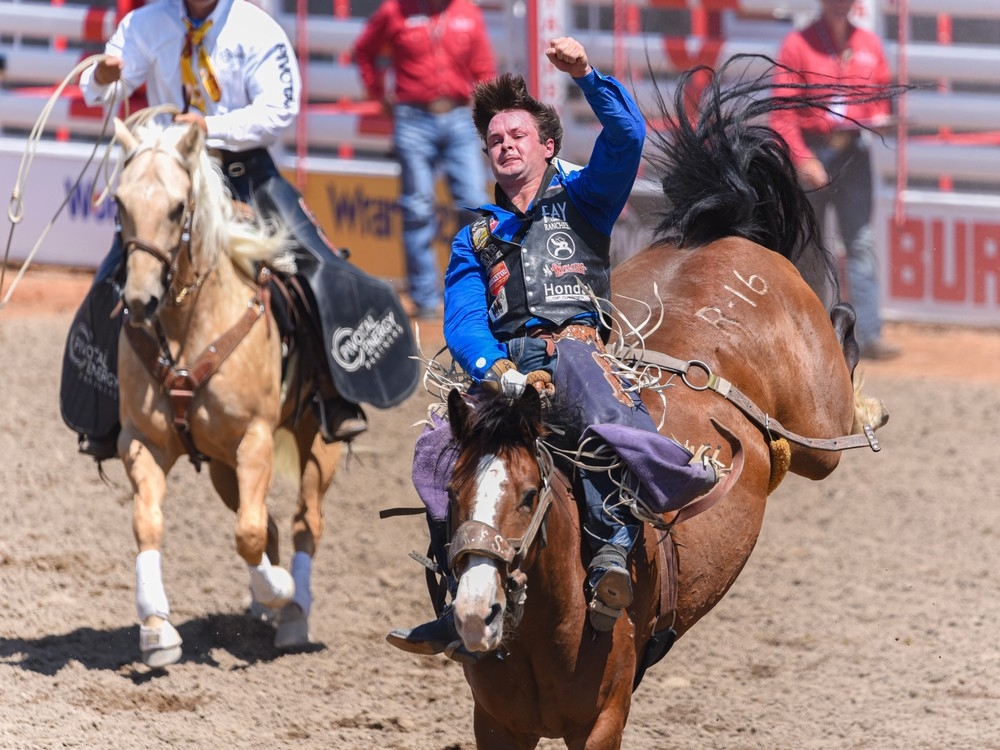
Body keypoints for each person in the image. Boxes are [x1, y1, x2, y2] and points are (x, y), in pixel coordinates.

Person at [386, 37, 722, 659]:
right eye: (495, 140)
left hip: (578, 351)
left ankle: (613, 554)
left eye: (517, 135)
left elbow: (626, 137)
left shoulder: (586, 199)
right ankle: (450, 597)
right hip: (508, 369)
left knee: (595, 413)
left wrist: (587, 74)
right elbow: (461, 320)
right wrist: (496, 369)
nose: (506, 145)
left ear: (547, 146)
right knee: (437, 451)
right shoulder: (475, 237)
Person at [63, 0, 372, 460]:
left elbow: (279, 109)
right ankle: (110, 410)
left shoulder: (256, 28)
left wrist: (212, 126)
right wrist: (104, 77)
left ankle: (332, 390)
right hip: (172, 172)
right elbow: (102, 87)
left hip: (243, 167)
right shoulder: (147, 22)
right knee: (117, 275)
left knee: (314, 262)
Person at [771, 0, 900, 360]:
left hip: (854, 152)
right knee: (810, 247)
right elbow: (782, 113)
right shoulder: (798, 45)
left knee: (860, 240)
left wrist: (877, 118)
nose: (842, 5)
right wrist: (801, 158)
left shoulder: (870, 45)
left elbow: (882, 101)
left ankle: (869, 334)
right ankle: (808, 333)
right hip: (814, 150)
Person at [353, 0, 496, 320]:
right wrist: (377, 94)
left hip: (459, 115)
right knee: (417, 207)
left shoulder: (467, 12)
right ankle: (425, 298)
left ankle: (474, 289)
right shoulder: (395, 10)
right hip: (413, 116)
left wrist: (489, 115)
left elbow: (484, 68)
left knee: (474, 203)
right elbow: (364, 49)